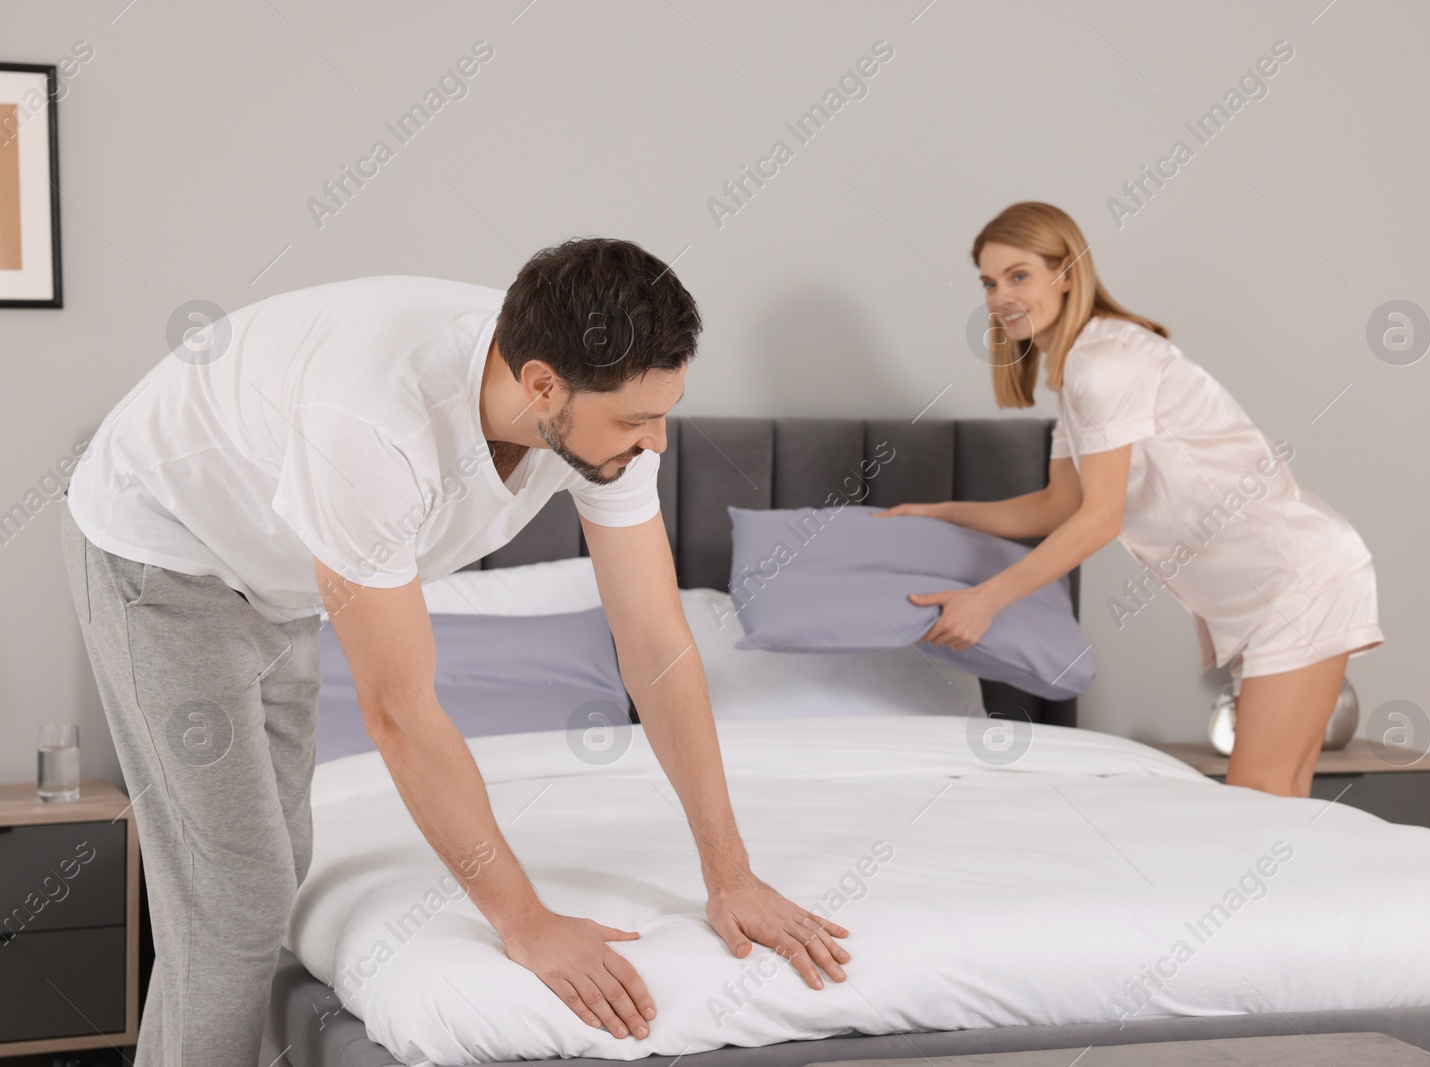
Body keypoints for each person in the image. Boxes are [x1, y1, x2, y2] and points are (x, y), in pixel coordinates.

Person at [60, 237, 849, 1065]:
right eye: (635, 420)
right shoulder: (370, 426)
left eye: (664, 412)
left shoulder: (603, 415)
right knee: (237, 898)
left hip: (284, 562)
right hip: (165, 554)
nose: (655, 442)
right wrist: (527, 923)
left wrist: (732, 873)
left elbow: (656, 644)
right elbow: (399, 710)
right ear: (541, 384)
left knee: (278, 862)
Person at [878, 202, 1382, 799]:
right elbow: (1056, 506)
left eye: (1019, 276)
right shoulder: (1074, 373)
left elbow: (1100, 519)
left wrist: (986, 601)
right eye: (989, 282)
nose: (999, 296)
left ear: (1065, 273)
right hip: (1271, 586)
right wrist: (938, 512)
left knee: (1259, 800)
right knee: (1279, 801)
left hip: (1293, 577)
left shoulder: (1104, 365)